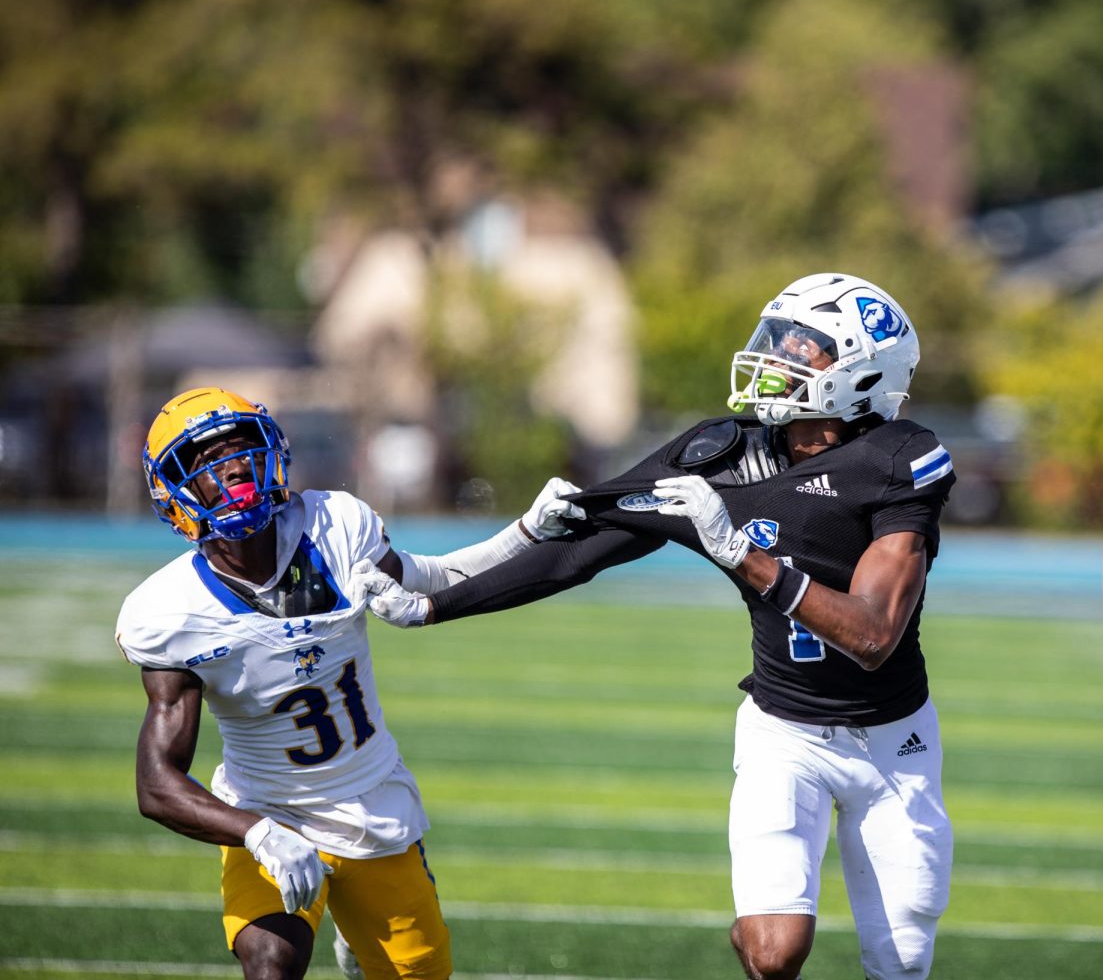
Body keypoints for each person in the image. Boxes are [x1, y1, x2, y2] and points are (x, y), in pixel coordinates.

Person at [362, 273, 956, 980]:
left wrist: (743, 556)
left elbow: (870, 634)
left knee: (902, 958)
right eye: (779, 338)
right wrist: (435, 602)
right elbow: (579, 548)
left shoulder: (898, 461)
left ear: (863, 374)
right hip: (784, 730)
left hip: (894, 743)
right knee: (774, 952)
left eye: (807, 347)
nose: (779, 356)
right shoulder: (721, 454)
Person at [115, 386, 582, 980]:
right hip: (267, 806)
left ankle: (358, 949)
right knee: (269, 966)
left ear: (271, 452)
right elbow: (155, 785)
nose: (230, 466)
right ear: (176, 490)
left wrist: (526, 533)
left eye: (240, 448)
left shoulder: (335, 526)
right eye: (205, 460)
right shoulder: (168, 611)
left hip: (371, 803)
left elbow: (430, 579)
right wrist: (258, 833)